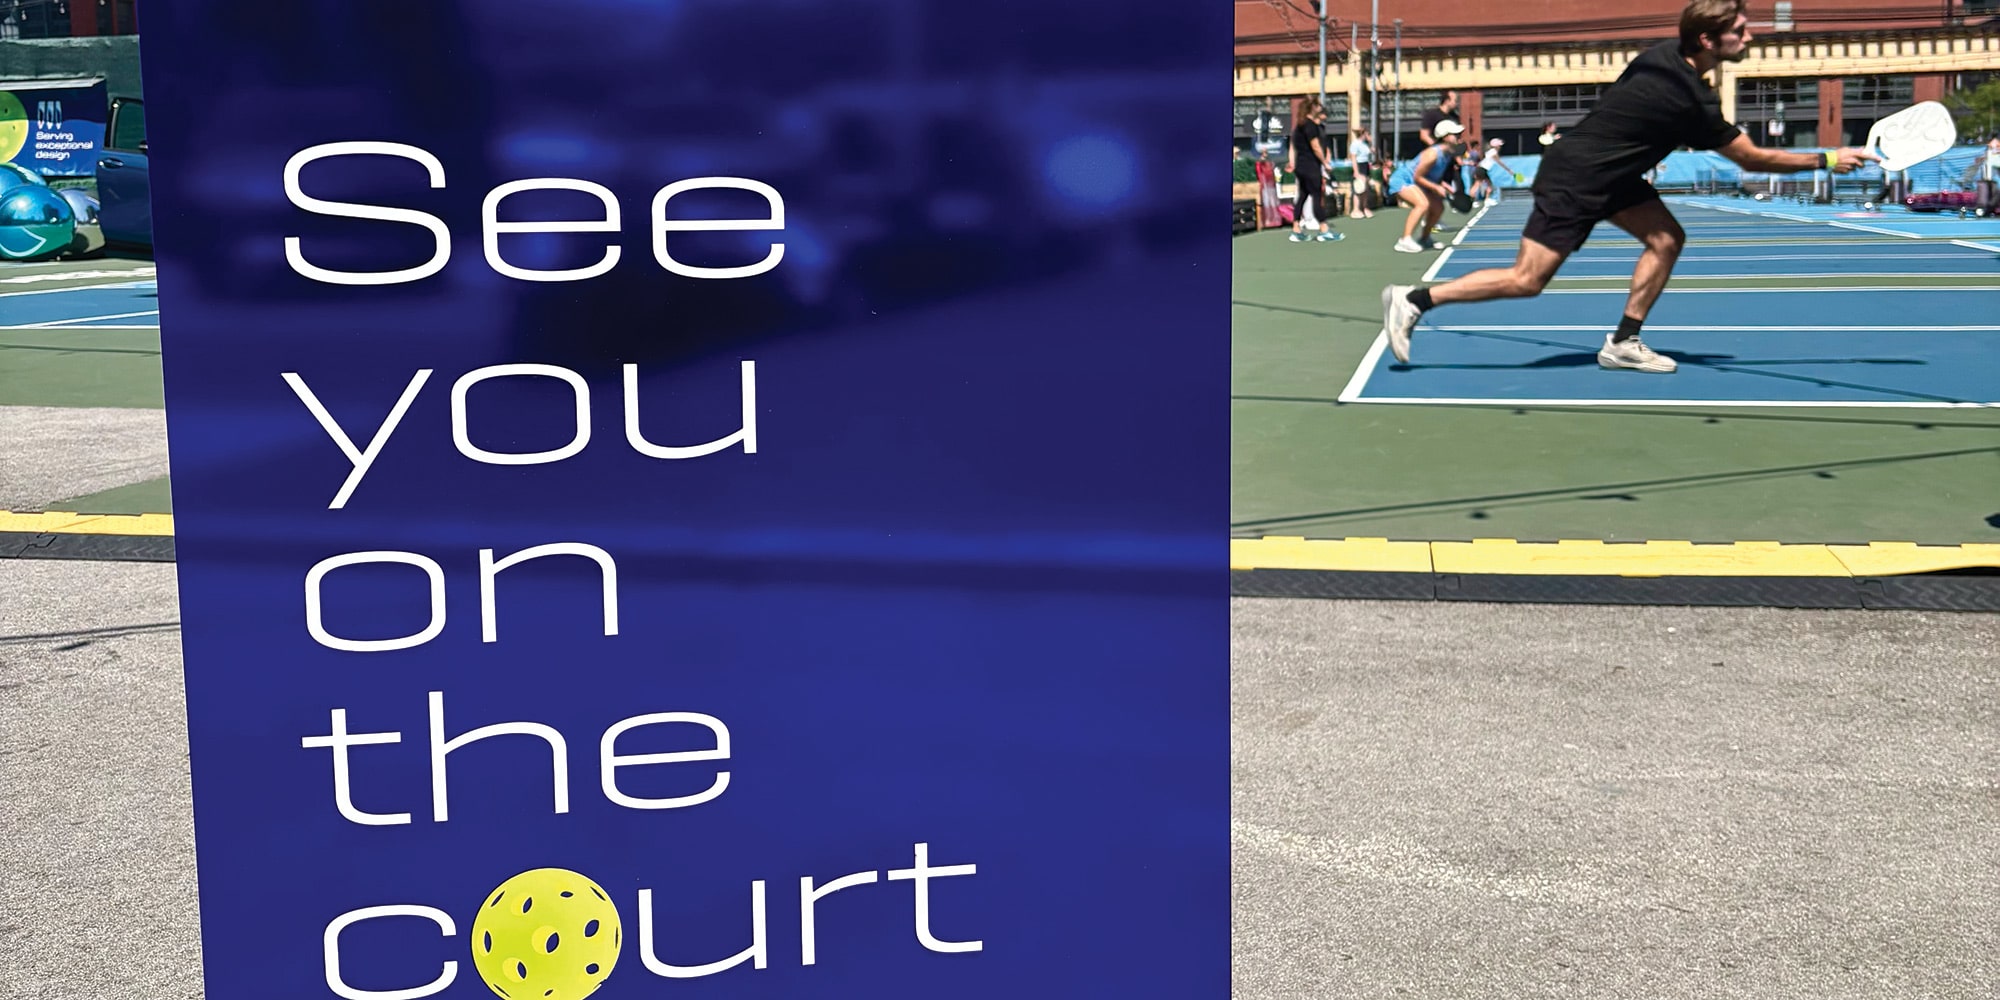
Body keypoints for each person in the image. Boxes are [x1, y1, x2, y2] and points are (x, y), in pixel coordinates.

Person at [1379, 0, 1876, 373]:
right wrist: (1829, 157)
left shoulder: (1661, 54)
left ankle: (1623, 342)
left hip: (1612, 175)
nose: (1750, 37)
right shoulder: (1689, 99)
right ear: (1708, 39)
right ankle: (1415, 300)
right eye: (1740, 31)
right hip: (1578, 178)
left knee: (1666, 239)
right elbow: (1751, 157)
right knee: (1527, 280)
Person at [1385, 119, 1466, 253]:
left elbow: (1433, 177)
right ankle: (1404, 240)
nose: (1459, 137)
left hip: (1417, 183)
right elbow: (1418, 176)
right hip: (1402, 180)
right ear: (1445, 137)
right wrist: (1435, 188)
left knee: (1438, 207)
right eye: (1455, 134)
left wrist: (1444, 187)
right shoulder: (1432, 154)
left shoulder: (1447, 155)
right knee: (1422, 204)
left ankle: (1424, 238)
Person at [1287, 98, 1343, 242]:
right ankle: (1324, 230)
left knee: (1303, 196)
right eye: (1317, 105)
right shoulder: (1310, 125)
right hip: (1311, 166)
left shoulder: (1298, 126)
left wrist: (1292, 162)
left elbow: (1293, 147)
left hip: (1301, 166)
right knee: (1317, 196)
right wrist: (1325, 162)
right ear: (1312, 108)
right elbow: (1315, 146)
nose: (1320, 107)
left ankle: (1296, 229)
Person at [1471, 138, 1517, 207]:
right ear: (1495, 146)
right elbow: (1499, 162)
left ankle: (1487, 200)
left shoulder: (1490, 151)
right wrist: (1509, 170)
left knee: (1489, 185)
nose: (1500, 147)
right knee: (1477, 185)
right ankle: (1473, 201)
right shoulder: (1493, 152)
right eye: (1499, 145)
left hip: (1482, 169)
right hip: (1481, 169)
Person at [1349, 128, 1376, 218]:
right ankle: (1355, 209)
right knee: (1359, 189)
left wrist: (1370, 143)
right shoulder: (1355, 144)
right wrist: (1356, 172)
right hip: (1359, 166)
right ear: (1363, 134)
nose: (1369, 136)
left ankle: (1365, 208)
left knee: (1365, 189)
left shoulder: (1365, 144)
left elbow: (1372, 151)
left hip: (1366, 165)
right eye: (1368, 134)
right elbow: (1353, 158)